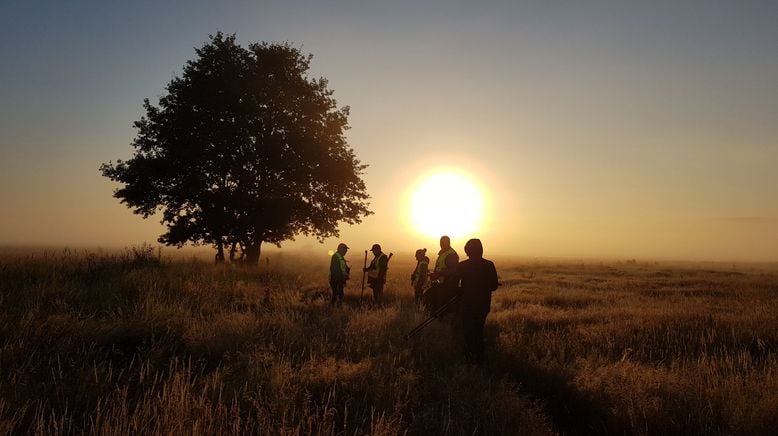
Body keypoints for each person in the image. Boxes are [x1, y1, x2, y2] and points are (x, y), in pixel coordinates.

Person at [455, 238, 499, 364]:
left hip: (466, 305)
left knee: (467, 331)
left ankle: (468, 357)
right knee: (478, 331)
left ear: (467, 251)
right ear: (481, 250)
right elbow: (494, 286)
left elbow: (455, 286)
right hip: (483, 305)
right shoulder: (489, 265)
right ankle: (479, 358)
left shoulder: (462, 265)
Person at [426, 235, 459, 311]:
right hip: (439, 284)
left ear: (448, 243)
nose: (441, 244)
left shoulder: (451, 254)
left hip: (446, 286)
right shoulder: (443, 253)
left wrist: (438, 274)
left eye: (443, 242)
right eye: (441, 242)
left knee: (441, 307)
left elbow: (453, 271)